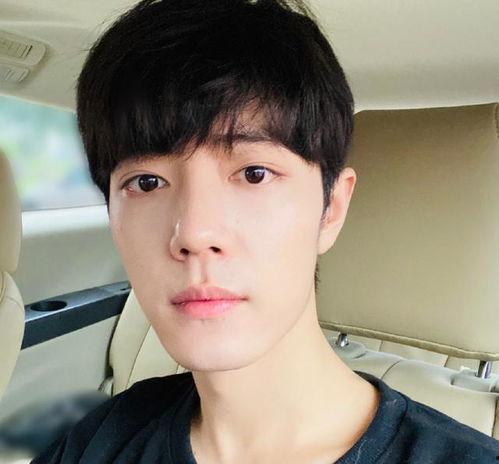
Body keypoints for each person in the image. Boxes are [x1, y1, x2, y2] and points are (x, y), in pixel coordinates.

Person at [32, 0, 498, 462]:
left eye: (254, 174)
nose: (193, 233)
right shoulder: (95, 442)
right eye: (147, 183)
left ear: (331, 209)